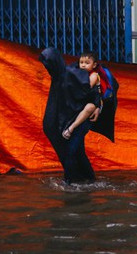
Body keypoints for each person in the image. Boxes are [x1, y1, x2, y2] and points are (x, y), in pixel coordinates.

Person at [39, 46, 102, 184]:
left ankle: (71, 181)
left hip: (80, 120)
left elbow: (91, 93)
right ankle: (88, 179)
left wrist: (97, 105)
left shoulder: (77, 74)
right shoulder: (65, 75)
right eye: (82, 62)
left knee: (71, 152)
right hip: (70, 121)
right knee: (77, 152)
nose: (83, 65)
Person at [62, 51, 102, 140]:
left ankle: (71, 128)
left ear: (94, 65)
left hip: (91, 101)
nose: (83, 65)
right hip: (79, 102)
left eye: (87, 63)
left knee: (90, 107)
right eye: (81, 62)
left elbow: (87, 89)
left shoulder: (94, 75)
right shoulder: (78, 72)